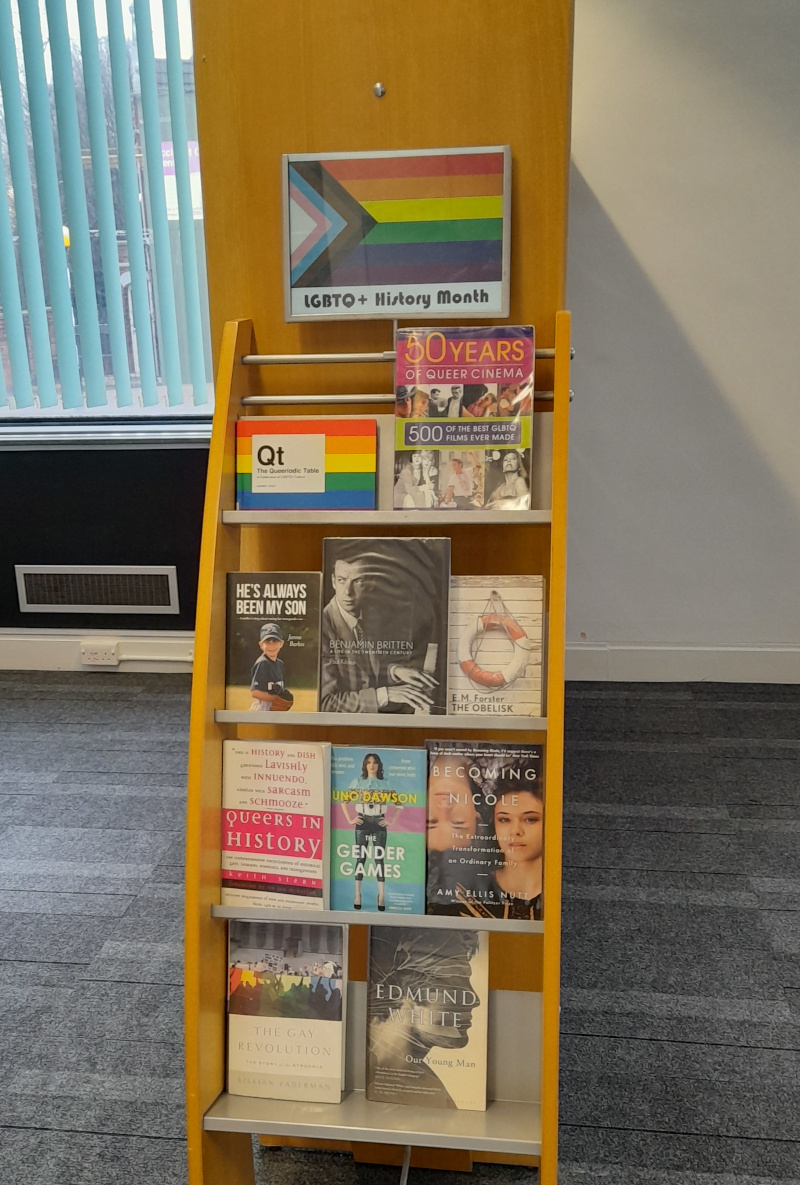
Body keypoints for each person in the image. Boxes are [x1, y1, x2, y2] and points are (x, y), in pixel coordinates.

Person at [368, 930, 482, 1107]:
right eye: (457, 985)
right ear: (407, 992)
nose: (475, 1000)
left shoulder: (429, 1090)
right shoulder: (370, 1081)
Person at [320, 554, 437, 713]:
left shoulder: (370, 614)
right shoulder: (321, 628)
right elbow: (326, 704)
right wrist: (385, 694)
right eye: (342, 580)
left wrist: (394, 672)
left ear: (370, 584)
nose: (348, 592)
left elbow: (363, 671)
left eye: (357, 581)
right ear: (333, 581)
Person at [340, 752, 401, 911]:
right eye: (369, 762)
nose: (372, 765)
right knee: (361, 858)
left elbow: (399, 804)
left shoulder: (386, 783)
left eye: (375, 762)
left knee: (379, 859)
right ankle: (357, 894)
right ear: (365, 765)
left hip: (379, 821)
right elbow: (344, 802)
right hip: (363, 820)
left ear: (379, 765)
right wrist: (350, 819)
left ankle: (381, 895)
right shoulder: (358, 782)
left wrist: (391, 820)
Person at [489, 785, 543, 919]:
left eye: (530, 819)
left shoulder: (562, 894)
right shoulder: (471, 891)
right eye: (504, 820)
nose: (515, 831)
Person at [249, 622, 294, 711]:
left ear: (281, 644)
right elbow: (255, 693)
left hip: (273, 709)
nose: (271, 645)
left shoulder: (280, 664)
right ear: (261, 645)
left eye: (275, 641)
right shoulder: (262, 663)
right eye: (267, 642)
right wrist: (276, 699)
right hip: (262, 709)